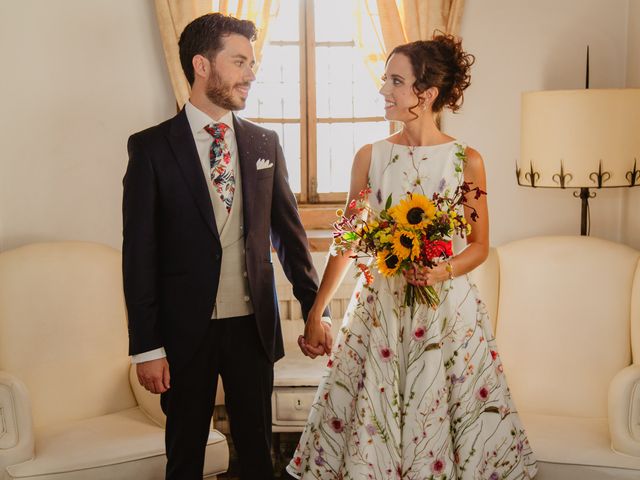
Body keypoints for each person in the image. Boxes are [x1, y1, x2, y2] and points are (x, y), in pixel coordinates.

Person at [287, 34, 538, 479]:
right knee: (375, 417)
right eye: (386, 79)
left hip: (447, 314)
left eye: (395, 81)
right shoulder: (371, 156)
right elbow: (349, 239)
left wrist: (444, 269)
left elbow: (479, 245)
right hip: (380, 308)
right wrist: (317, 311)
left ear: (427, 93)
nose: (384, 90)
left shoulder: (467, 160)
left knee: (439, 416)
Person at [122, 13, 332, 480]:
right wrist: (146, 347)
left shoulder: (264, 142)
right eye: (239, 62)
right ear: (202, 65)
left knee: (258, 454)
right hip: (182, 334)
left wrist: (316, 312)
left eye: (252, 63)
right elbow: (138, 256)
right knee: (185, 455)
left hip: (252, 329)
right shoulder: (151, 149)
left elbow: (290, 238)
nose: (250, 73)